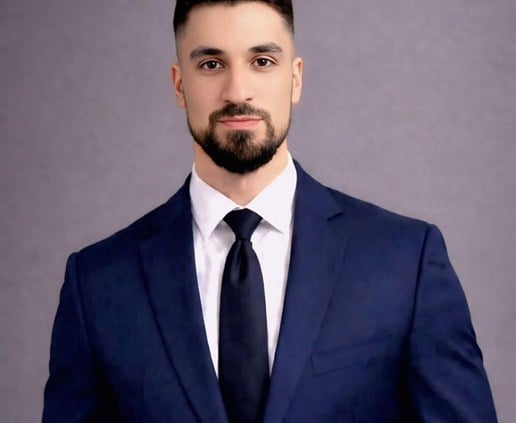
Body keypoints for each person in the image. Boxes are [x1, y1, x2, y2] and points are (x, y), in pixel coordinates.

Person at [43, 1, 497, 421]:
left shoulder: (405, 262)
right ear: (180, 85)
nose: (237, 91)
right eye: (211, 64)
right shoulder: (98, 284)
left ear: (295, 78)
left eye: (262, 61)